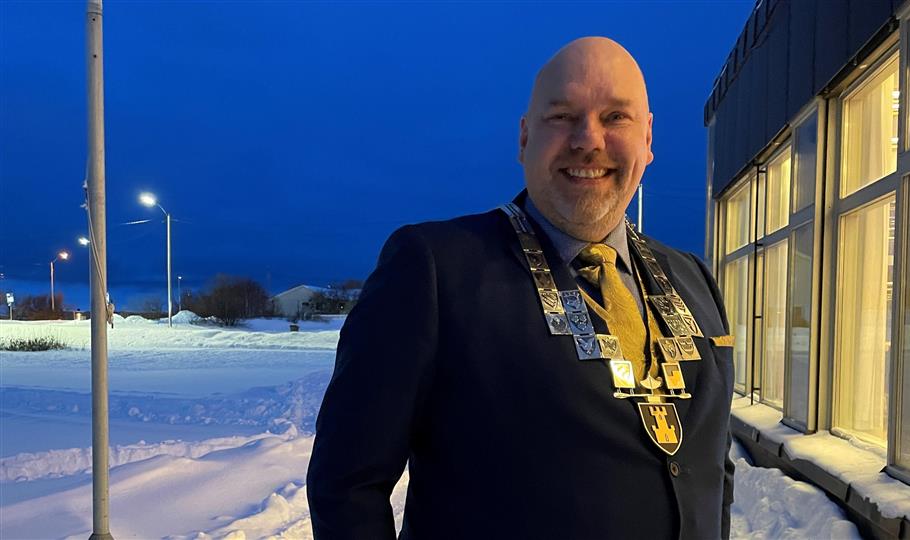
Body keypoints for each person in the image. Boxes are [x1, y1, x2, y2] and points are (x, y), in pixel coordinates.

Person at [307, 36, 735, 540]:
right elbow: (347, 485)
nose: (588, 140)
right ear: (525, 138)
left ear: (647, 138)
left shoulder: (693, 279)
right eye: (562, 116)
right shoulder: (435, 270)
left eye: (615, 117)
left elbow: (711, 467)